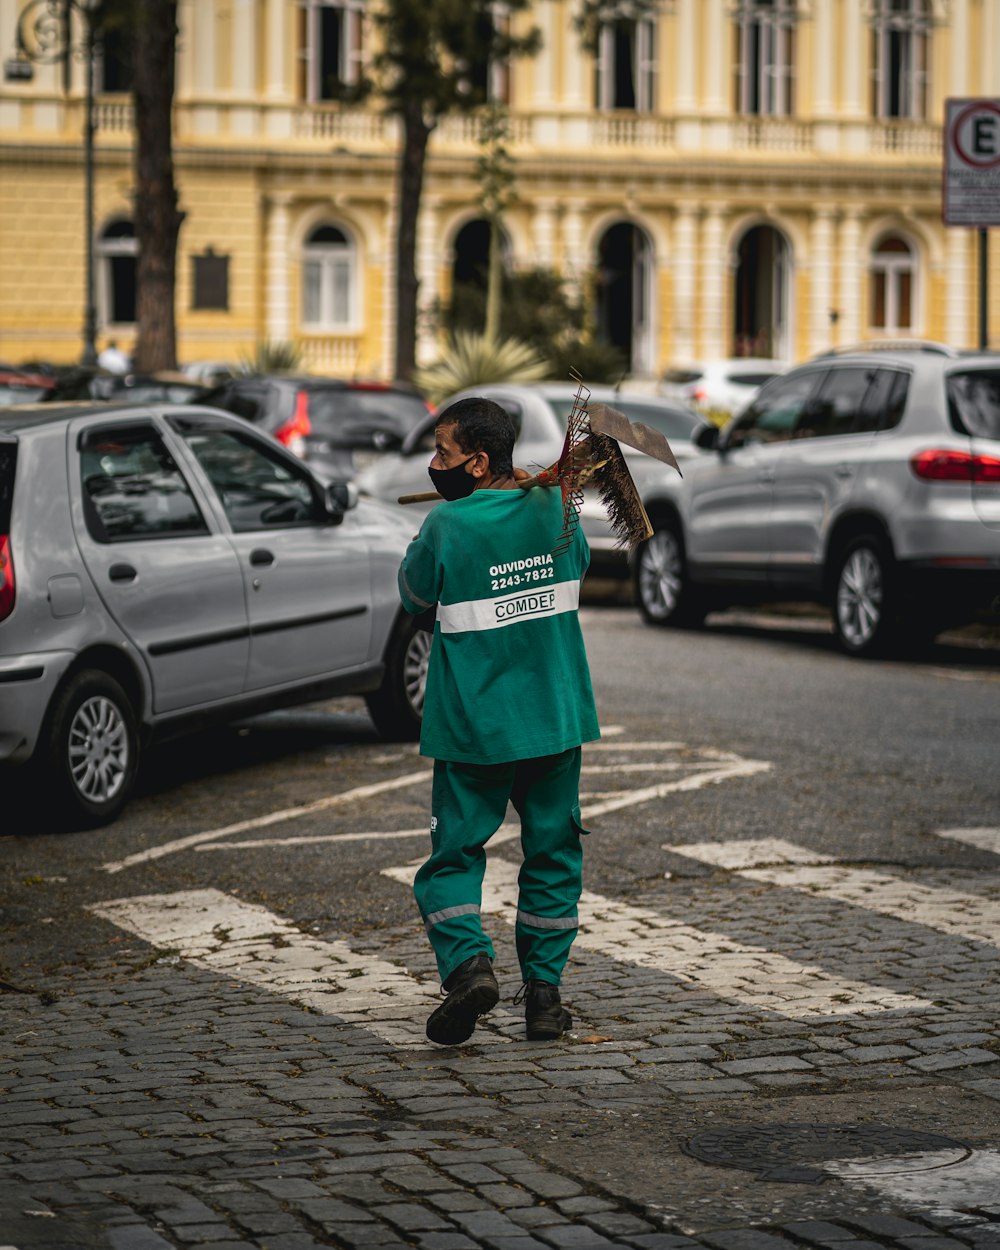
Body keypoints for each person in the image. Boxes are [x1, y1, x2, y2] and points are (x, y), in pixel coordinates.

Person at [397, 396, 600, 1046]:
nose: (435, 465)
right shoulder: (558, 508)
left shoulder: (447, 526)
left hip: (475, 726)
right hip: (553, 718)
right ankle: (544, 997)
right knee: (552, 855)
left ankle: (468, 969)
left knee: (454, 854)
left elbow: (413, 593)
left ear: (479, 463)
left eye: (444, 454)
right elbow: (581, 565)